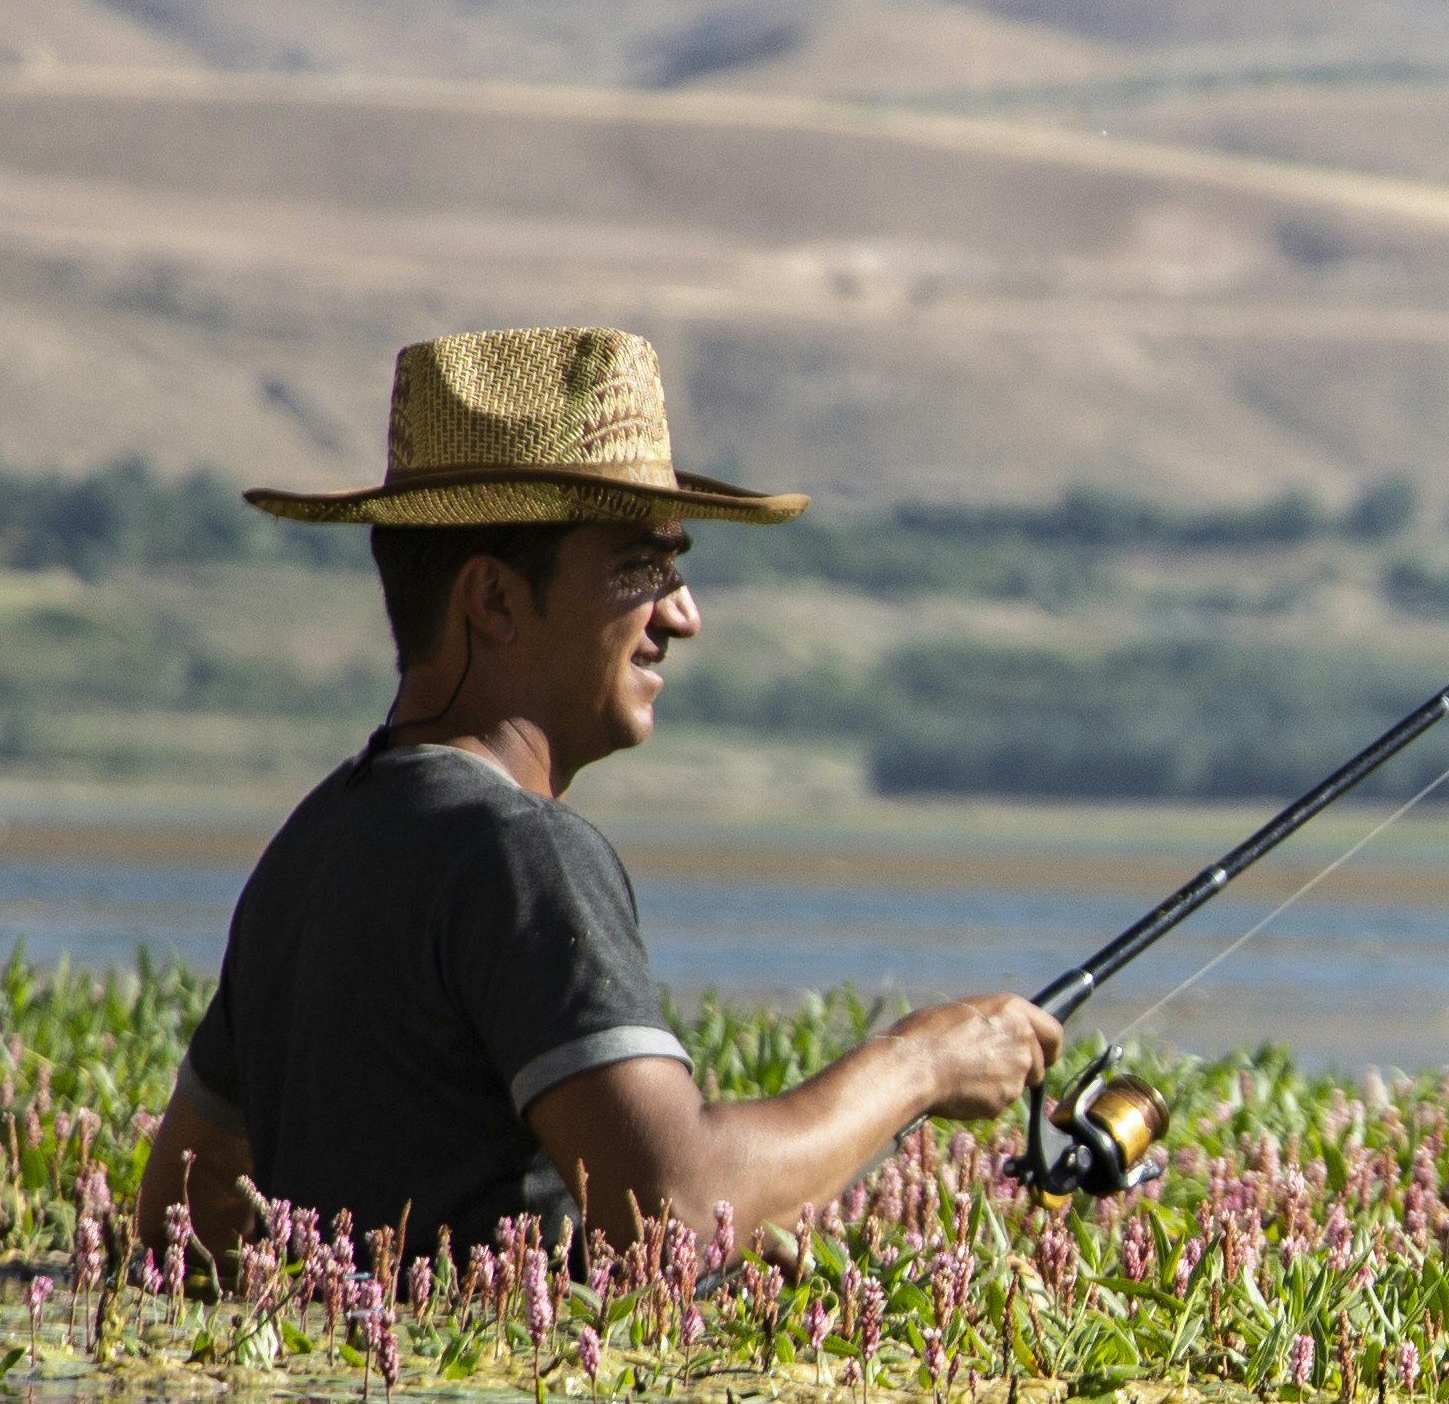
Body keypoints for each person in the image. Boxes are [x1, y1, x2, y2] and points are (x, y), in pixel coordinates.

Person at [133, 325, 1059, 1266]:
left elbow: (185, 1211)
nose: (682, 614)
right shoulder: (521, 852)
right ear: (493, 602)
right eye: (639, 566)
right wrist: (920, 1064)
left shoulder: (315, 839)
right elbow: (679, 1206)